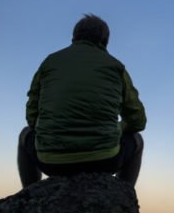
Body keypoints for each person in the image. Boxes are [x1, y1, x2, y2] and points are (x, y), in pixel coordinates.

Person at [17, 14, 146, 188]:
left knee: (25, 134)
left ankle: (29, 193)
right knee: (137, 140)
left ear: (74, 37)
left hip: (51, 161)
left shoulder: (50, 62)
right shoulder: (116, 67)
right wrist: (118, 128)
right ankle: (124, 194)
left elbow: (32, 115)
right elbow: (138, 121)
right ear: (105, 41)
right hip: (104, 161)